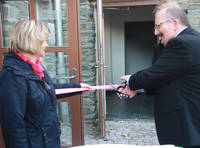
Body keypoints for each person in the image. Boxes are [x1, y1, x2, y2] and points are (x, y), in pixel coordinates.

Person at [119, 0, 200, 147]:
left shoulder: (183, 43)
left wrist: (132, 80)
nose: (155, 32)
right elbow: (168, 77)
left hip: (185, 124)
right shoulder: (185, 40)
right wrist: (138, 89)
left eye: (158, 26)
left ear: (174, 23)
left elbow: (155, 73)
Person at [0, 20, 90, 148]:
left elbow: (47, 90)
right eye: (43, 41)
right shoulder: (12, 76)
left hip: (48, 142)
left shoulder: (35, 68)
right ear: (31, 42)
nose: (46, 45)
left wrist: (77, 87)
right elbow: (13, 126)